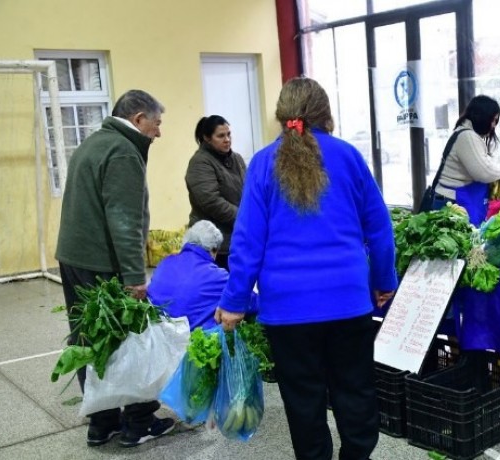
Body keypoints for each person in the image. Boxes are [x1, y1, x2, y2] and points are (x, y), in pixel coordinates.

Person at [215, 77, 398, 460]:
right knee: (356, 391)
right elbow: (380, 229)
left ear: (283, 116)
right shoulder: (348, 156)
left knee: (304, 400)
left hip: (287, 310)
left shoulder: (264, 162)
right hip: (348, 302)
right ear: (324, 113)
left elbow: (248, 241)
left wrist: (234, 300)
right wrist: (383, 281)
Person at [54, 89, 175, 448]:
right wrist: (135, 278)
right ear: (138, 119)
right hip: (102, 264)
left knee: (88, 340)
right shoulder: (123, 151)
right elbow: (124, 220)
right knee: (128, 341)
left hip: (74, 257)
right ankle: (138, 422)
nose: (158, 132)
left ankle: (102, 422)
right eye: (157, 123)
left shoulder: (94, 143)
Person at [147, 220, 256, 330]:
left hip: (157, 335)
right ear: (214, 250)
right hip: (190, 340)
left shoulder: (164, 263)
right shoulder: (217, 276)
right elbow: (252, 301)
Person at [432, 95, 500, 225]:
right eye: (493, 120)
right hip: (451, 201)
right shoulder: (467, 136)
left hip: (453, 198)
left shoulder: (467, 134)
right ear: (482, 117)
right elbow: (484, 172)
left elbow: (484, 166)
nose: (493, 126)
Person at [185, 115, 247, 271]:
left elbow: (248, 190)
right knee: (217, 290)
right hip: (212, 244)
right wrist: (244, 217)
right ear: (207, 138)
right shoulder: (200, 162)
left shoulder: (237, 159)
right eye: (220, 136)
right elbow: (211, 201)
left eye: (228, 134)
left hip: (236, 238)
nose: (227, 139)